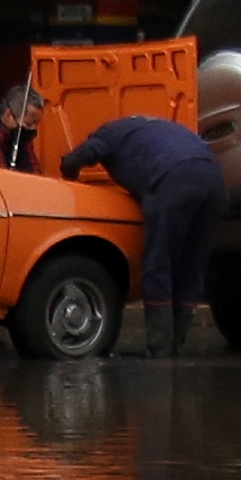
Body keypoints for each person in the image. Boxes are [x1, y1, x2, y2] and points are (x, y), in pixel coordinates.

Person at [61, 104, 223, 352]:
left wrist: (66, 174)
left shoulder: (109, 133)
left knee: (158, 264)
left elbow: (83, 155)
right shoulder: (153, 127)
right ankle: (176, 345)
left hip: (174, 180)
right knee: (192, 264)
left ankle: (159, 348)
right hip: (214, 181)